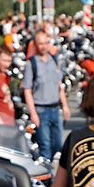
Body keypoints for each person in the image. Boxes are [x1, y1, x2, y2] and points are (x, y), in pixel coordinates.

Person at [24, 29, 67, 163]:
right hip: (41, 109)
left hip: (55, 109)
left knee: (58, 145)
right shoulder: (32, 64)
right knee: (45, 146)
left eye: (45, 43)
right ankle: (48, 179)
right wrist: (33, 113)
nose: (43, 46)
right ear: (35, 45)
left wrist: (65, 106)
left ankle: (50, 174)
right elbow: (27, 89)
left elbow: (59, 85)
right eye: (40, 43)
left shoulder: (54, 60)